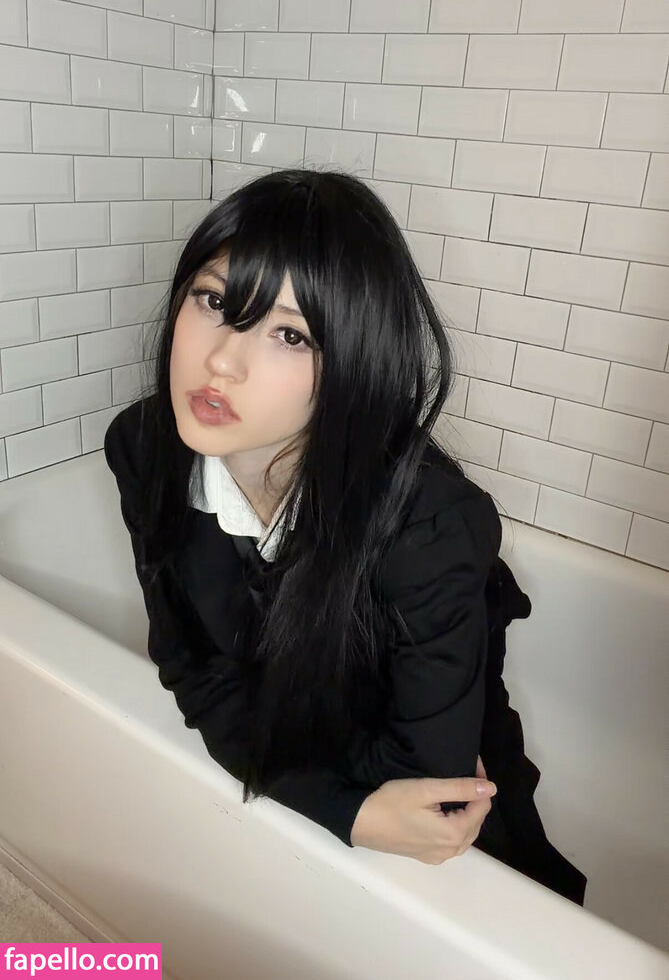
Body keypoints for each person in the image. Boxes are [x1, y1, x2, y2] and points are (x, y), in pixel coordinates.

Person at [103, 168, 587, 905]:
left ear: (351, 366)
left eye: (289, 335)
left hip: (458, 825)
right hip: (325, 793)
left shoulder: (428, 523)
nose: (221, 361)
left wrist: (284, 751)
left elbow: (427, 791)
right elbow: (190, 669)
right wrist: (344, 807)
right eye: (214, 301)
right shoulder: (144, 447)